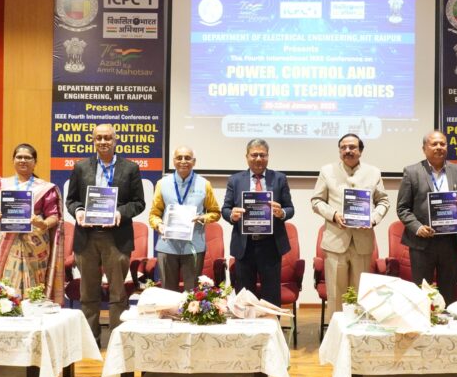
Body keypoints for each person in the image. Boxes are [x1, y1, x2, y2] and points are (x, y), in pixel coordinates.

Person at [66, 124, 145, 345]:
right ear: (93, 140)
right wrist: (78, 211)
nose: (103, 142)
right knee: (88, 294)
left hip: (116, 238)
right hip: (87, 237)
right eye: (99, 138)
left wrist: (120, 212)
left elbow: (139, 203)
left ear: (115, 140)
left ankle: (117, 342)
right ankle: (90, 342)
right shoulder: (81, 167)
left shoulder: (130, 168)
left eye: (108, 138)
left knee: (118, 294)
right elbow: (71, 200)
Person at [311, 133, 390, 321]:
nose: (347, 150)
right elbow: (316, 201)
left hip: (363, 241)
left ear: (360, 151)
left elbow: (383, 201)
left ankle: (359, 333)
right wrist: (333, 215)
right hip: (335, 241)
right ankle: (336, 333)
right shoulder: (327, 171)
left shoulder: (373, 172)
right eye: (343, 147)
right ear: (339, 151)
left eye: (352, 147)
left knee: (361, 293)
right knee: (336, 295)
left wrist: (373, 218)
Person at [396, 130, 457, 304]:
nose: (439, 147)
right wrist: (418, 227)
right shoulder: (412, 172)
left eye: (442, 144)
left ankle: (445, 321)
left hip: (451, 242)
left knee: (448, 292)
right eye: (434, 144)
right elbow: (402, 209)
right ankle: (423, 321)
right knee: (422, 292)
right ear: (424, 148)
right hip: (422, 242)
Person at [0, 143, 64, 303]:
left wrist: (42, 223)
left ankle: (34, 310)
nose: (23, 160)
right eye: (19, 157)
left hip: (35, 244)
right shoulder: (0, 183)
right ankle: (6, 308)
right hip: (6, 241)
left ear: (35, 162)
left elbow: (54, 216)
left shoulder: (45, 188)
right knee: (5, 282)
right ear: (13, 160)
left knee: (35, 283)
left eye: (28, 157)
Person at [222, 139, 294, 307]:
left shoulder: (279, 178)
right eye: (254, 155)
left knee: (271, 296)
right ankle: (246, 325)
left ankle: (271, 323)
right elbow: (225, 209)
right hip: (244, 246)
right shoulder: (235, 180)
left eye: (263, 155)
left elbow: (290, 208)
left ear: (268, 156)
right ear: (247, 156)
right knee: (245, 296)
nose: (259, 159)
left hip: (271, 245)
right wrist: (232, 215)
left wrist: (281, 212)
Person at [149, 146, 221, 291]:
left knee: (192, 293)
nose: (183, 161)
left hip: (193, 245)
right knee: (168, 292)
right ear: (173, 161)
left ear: (194, 162)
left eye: (187, 158)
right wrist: (159, 225)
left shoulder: (204, 184)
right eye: (179, 158)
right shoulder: (162, 184)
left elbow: (215, 212)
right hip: (167, 246)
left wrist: (202, 218)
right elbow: (154, 214)